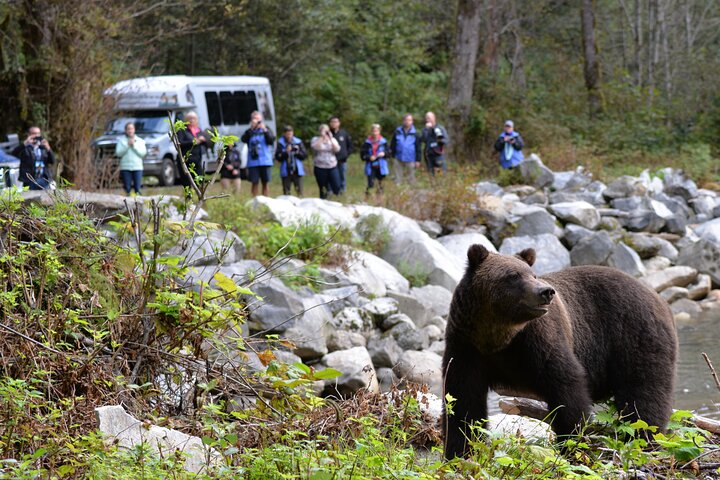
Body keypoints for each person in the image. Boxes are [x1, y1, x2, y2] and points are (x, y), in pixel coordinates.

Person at [241, 111, 275, 197]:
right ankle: (254, 201)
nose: (257, 121)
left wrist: (265, 130)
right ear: (251, 120)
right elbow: (243, 139)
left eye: (259, 119)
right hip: (253, 162)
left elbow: (271, 140)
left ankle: (266, 200)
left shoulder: (266, 129)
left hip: (265, 160)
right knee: (254, 182)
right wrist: (252, 128)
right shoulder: (249, 131)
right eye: (255, 119)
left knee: (265, 182)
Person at [11, 125, 55, 190]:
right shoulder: (25, 148)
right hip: (29, 180)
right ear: (29, 134)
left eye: (38, 133)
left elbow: (52, 161)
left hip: (43, 179)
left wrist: (48, 148)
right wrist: (25, 143)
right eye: (34, 133)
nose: (36, 135)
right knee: (30, 199)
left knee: (45, 199)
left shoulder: (43, 148)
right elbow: (13, 153)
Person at [176, 111, 208, 187]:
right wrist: (193, 142)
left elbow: (206, 144)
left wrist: (203, 140)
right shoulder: (182, 130)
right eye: (189, 118)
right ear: (186, 120)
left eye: (193, 118)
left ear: (196, 120)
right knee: (186, 182)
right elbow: (179, 143)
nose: (191, 120)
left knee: (200, 180)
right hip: (185, 160)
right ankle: (188, 198)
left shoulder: (198, 130)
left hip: (197, 160)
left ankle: (200, 197)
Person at [114, 122, 147, 196]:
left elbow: (143, 153)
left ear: (134, 129)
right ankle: (128, 205)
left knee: (137, 189)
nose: (130, 131)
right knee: (127, 189)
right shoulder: (121, 141)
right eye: (128, 129)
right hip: (126, 167)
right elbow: (118, 153)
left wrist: (134, 146)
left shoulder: (140, 141)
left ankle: (138, 204)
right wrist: (127, 145)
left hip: (137, 167)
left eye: (131, 128)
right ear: (125, 130)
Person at [310, 124, 341, 199]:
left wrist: (330, 138)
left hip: (332, 166)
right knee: (323, 187)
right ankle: (324, 200)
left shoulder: (332, 139)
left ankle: (336, 198)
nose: (325, 132)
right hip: (320, 167)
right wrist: (322, 137)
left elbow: (337, 149)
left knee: (337, 185)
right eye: (323, 130)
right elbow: (315, 147)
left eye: (326, 130)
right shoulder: (315, 139)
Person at [275, 126, 307, 196]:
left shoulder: (298, 142)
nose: (289, 136)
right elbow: (278, 157)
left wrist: (297, 152)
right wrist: (286, 152)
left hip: (297, 170)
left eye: (290, 134)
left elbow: (304, 155)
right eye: (287, 134)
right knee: (286, 192)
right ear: (284, 134)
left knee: (300, 191)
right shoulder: (280, 143)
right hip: (286, 170)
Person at [389, 114, 421, 184]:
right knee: (397, 177)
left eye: (409, 120)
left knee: (411, 177)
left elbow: (418, 147)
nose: (407, 122)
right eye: (406, 120)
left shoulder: (415, 133)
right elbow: (393, 144)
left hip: (411, 158)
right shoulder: (397, 132)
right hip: (398, 157)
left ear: (412, 122)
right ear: (403, 121)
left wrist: (418, 160)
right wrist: (391, 155)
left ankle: (411, 189)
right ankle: (398, 189)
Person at [361, 124, 389, 198]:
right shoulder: (367, 142)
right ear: (371, 132)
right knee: (371, 184)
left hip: (381, 166)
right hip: (370, 166)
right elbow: (362, 155)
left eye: (376, 131)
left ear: (379, 131)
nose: (375, 133)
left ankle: (379, 200)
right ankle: (367, 199)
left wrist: (384, 153)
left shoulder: (384, 142)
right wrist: (369, 157)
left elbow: (389, 153)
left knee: (381, 184)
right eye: (373, 131)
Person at [421, 112, 449, 176]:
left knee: (440, 174)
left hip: (438, 155)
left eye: (429, 118)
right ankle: (433, 185)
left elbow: (446, 140)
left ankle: (441, 184)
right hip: (428, 155)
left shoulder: (440, 128)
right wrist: (427, 130)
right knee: (431, 175)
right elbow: (423, 140)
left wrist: (439, 139)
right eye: (426, 118)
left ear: (434, 118)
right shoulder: (425, 129)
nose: (427, 120)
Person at [329, 116, 352, 193]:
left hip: (341, 160)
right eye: (332, 122)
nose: (334, 124)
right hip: (330, 161)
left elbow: (350, 146)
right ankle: (330, 193)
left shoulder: (344, 133)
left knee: (342, 177)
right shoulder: (327, 134)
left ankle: (342, 193)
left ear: (339, 123)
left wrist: (346, 155)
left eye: (336, 122)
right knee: (331, 178)